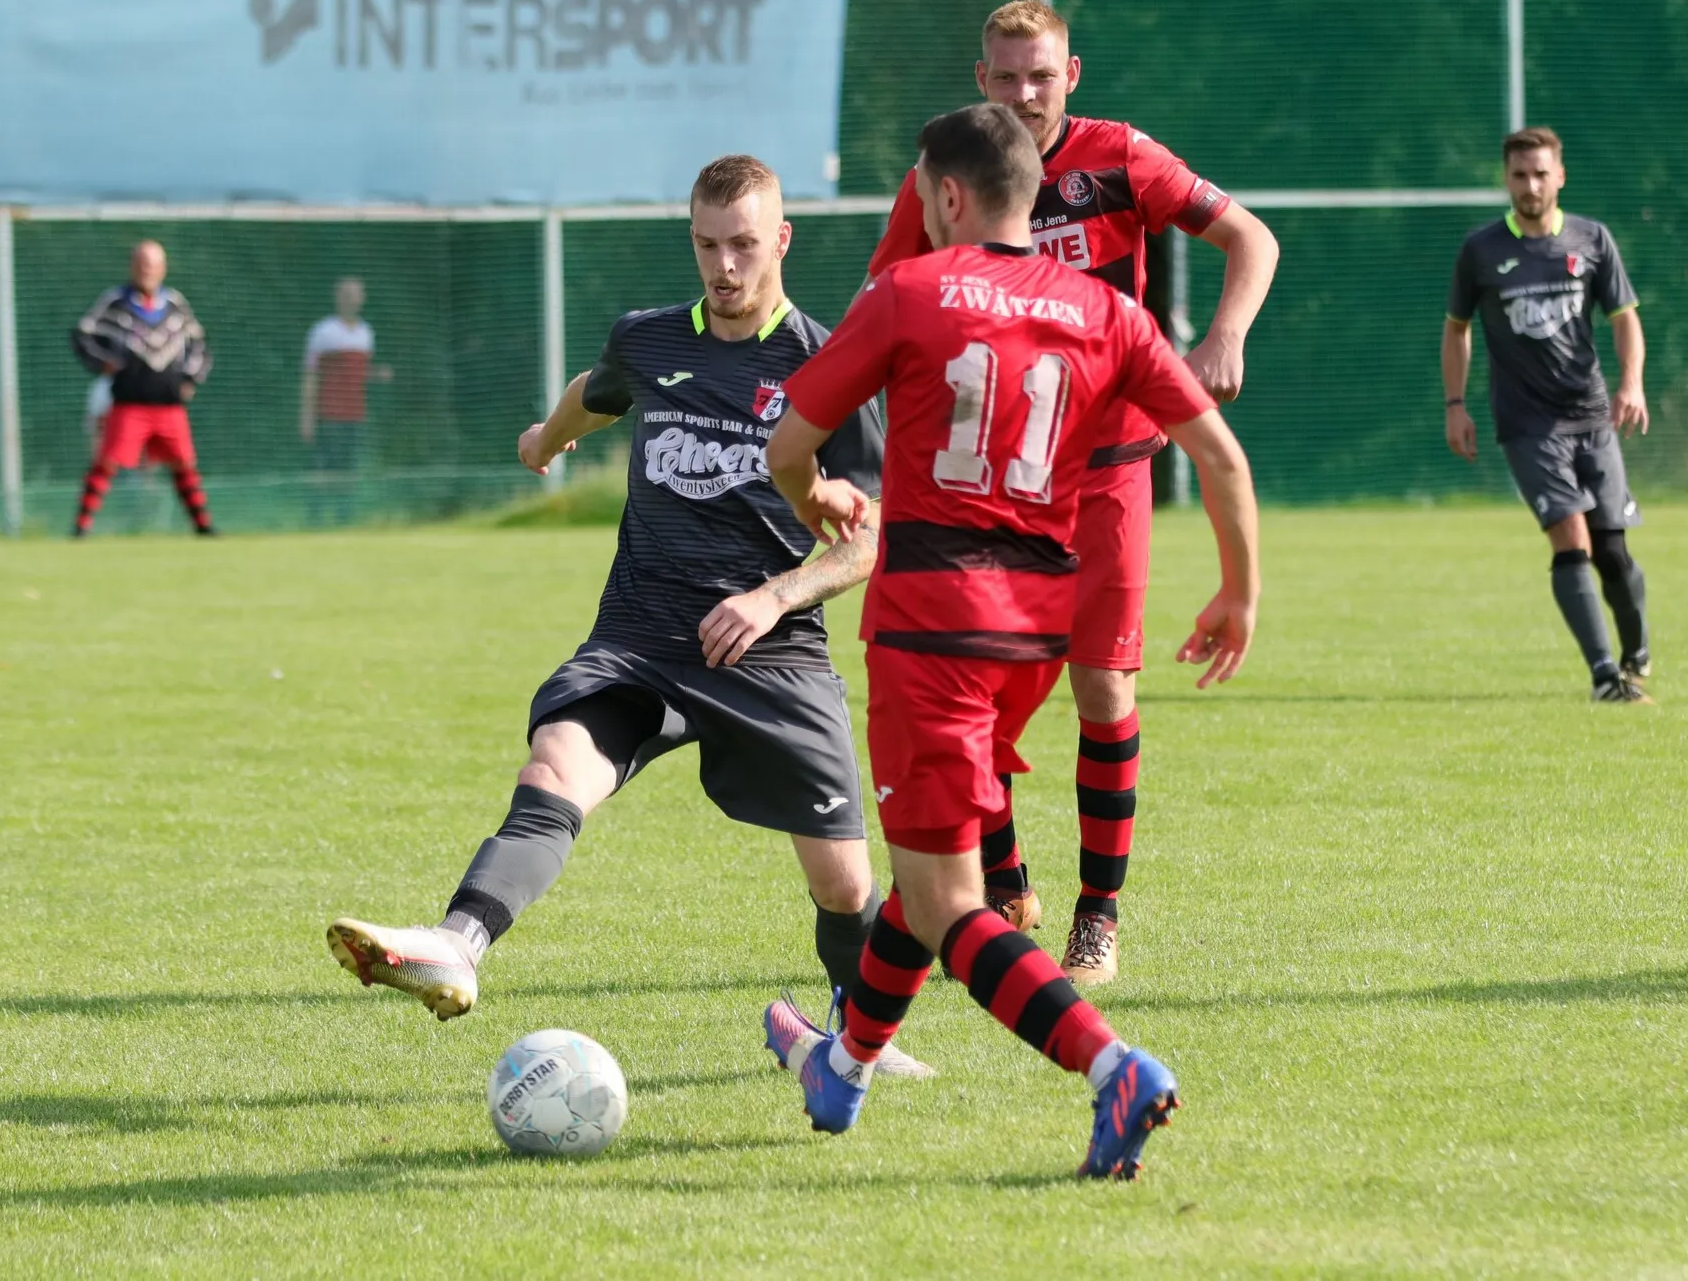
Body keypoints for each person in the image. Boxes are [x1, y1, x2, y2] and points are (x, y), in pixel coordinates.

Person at [324, 155, 927, 1077]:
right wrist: (545, 439)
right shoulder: (650, 340)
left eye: (744, 245)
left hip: (773, 653)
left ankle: (862, 1044)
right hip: (641, 636)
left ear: (782, 240)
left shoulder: (828, 364)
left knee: (844, 884)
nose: (724, 267)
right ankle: (456, 943)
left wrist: (773, 597)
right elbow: (599, 390)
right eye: (707, 246)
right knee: (553, 767)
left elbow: (871, 537)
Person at [761, 102, 1259, 1178]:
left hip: (928, 629)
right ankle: (842, 1068)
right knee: (925, 869)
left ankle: (1112, 1066)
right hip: (1033, 633)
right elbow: (1221, 456)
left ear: (946, 196)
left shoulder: (908, 290)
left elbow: (789, 445)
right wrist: (1237, 591)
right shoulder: (1104, 309)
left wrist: (816, 500)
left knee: (949, 903)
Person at [864, 0, 1280, 984]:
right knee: (968, 691)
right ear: (980, 80)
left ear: (1072, 74)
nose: (1024, 94)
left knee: (1102, 687)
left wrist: (1223, 335)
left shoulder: (1120, 158)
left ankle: (1098, 912)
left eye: (1040, 75)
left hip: (1105, 470)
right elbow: (881, 305)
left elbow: (1251, 239)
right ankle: (1005, 877)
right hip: (989, 488)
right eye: (1006, 77)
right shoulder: (945, 176)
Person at [1443, 127, 1652, 703]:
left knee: (1612, 552)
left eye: (1540, 174)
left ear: (1560, 176)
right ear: (1506, 179)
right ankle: (1605, 677)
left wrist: (1632, 383)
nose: (1530, 186)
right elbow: (1456, 329)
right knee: (1571, 540)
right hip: (1528, 425)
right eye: (1520, 175)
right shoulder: (1481, 249)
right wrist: (1455, 405)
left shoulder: (1591, 239)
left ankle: (1636, 650)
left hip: (1591, 417)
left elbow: (1625, 318)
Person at [70, 241, 215, 538]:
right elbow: (82, 335)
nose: (146, 270)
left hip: (169, 404)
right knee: (107, 462)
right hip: (129, 403)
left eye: (152, 264)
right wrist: (104, 362)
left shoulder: (174, 304)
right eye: (141, 263)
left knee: (184, 463)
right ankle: (81, 529)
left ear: (163, 268)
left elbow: (199, 344)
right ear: (131, 266)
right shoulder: (116, 302)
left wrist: (190, 379)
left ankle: (203, 527)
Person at [300, 277, 393, 526]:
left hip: (355, 414)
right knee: (324, 468)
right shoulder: (323, 331)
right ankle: (315, 519)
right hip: (328, 414)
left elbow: (358, 373)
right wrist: (307, 417)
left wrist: (377, 374)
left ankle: (344, 519)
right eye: (347, 293)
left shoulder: (366, 333)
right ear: (337, 297)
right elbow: (311, 375)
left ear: (362, 298)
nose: (352, 298)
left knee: (348, 468)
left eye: (356, 294)